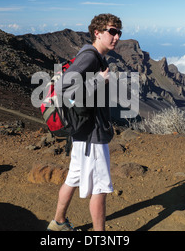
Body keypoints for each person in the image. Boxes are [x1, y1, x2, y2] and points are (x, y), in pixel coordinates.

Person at [47, 13, 122, 231]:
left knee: (74, 177)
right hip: (92, 135)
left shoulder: (91, 55)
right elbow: (62, 89)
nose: (116, 37)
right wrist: (99, 80)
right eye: (112, 31)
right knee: (99, 188)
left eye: (119, 32)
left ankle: (58, 222)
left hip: (83, 134)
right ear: (97, 33)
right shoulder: (90, 57)